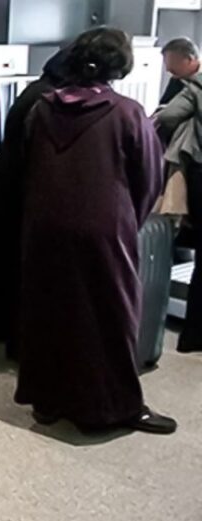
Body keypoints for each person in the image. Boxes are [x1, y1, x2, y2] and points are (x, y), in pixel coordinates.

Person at [16, 27, 176, 434]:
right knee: (110, 314)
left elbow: (26, 167)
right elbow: (149, 178)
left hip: (44, 226)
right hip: (103, 227)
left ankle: (48, 400)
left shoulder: (43, 108)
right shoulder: (126, 113)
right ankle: (111, 407)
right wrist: (127, 218)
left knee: (51, 309)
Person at [0, 47, 69, 358]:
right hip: (21, 192)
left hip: (4, 185)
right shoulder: (48, 101)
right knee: (19, 272)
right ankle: (16, 342)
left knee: (5, 270)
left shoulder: (33, 92)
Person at [155, 44, 202, 354]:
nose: (169, 70)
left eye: (172, 63)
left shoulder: (194, 88)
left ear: (189, 59)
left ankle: (193, 334)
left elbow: (168, 115)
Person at [160, 37, 200, 107]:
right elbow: (163, 106)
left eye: (173, 63)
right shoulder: (176, 79)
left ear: (190, 59)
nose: (168, 69)